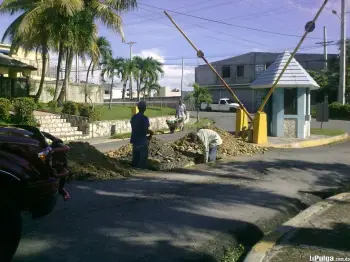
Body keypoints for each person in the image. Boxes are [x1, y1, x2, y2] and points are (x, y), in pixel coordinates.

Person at [130, 101, 153, 169]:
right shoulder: (144, 118)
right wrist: (151, 132)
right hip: (142, 142)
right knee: (142, 161)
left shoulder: (133, 117)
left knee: (135, 160)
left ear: (138, 108)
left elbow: (134, 128)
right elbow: (146, 130)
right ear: (145, 108)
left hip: (135, 141)